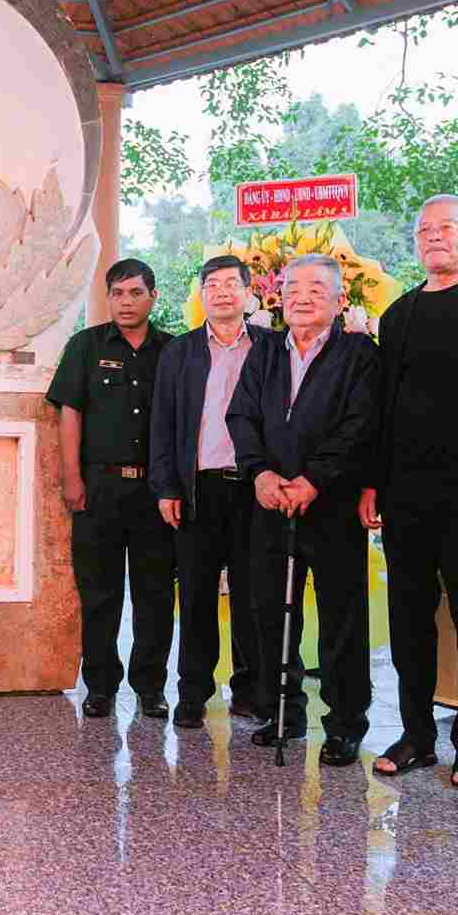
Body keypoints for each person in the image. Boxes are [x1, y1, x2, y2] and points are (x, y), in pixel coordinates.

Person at [360, 195, 458, 783]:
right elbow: (382, 409)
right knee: (408, 617)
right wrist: (373, 482)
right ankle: (416, 734)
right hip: (405, 492)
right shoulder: (399, 314)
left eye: (446, 228)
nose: (434, 238)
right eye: (424, 230)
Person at [225, 255, 379, 761]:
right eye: (292, 287)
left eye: (316, 288)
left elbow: (360, 424)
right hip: (271, 502)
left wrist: (315, 479)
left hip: (331, 506)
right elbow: (241, 415)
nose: (302, 297)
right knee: (269, 612)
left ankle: (345, 724)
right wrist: (259, 473)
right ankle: (282, 713)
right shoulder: (266, 351)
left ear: (339, 300)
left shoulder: (358, 353)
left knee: (341, 618)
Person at [45, 259, 176, 720]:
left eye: (136, 293)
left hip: (157, 493)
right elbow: (70, 412)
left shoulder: (173, 351)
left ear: (153, 296)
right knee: (99, 594)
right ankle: (100, 686)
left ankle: (150, 687)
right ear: (107, 298)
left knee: (154, 595)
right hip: (98, 488)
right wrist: (71, 477)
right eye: (117, 293)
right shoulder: (85, 346)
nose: (126, 302)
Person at [149, 255, 276, 728]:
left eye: (231, 284)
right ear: (201, 295)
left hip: (254, 488)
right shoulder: (179, 352)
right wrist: (166, 486)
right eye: (212, 285)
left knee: (252, 595)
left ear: (248, 292)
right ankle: (193, 692)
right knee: (196, 596)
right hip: (197, 488)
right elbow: (162, 425)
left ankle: (251, 690)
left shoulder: (270, 347)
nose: (222, 292)